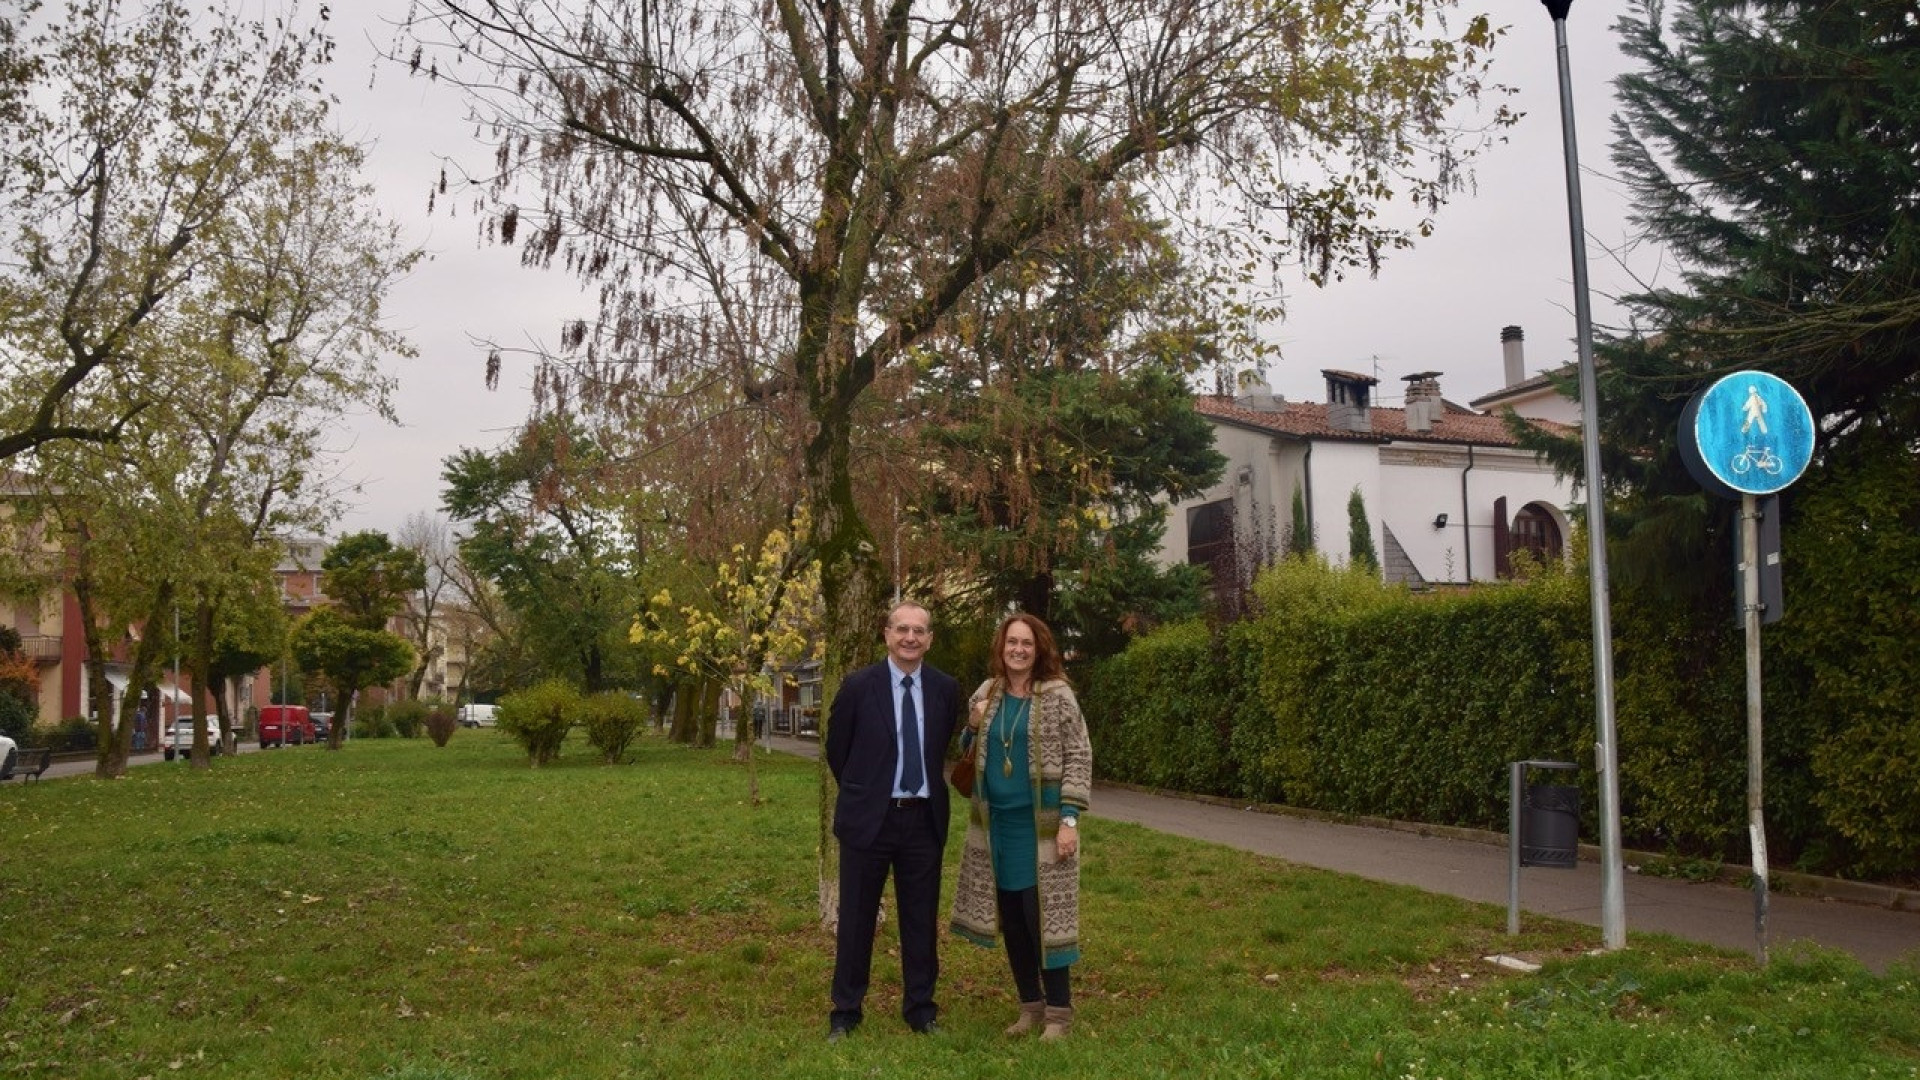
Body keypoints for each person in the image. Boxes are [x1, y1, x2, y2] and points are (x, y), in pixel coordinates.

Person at [949, 612, 1092, 1040]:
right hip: (997, 828)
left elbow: (1079, 756)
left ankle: (1059, 1015)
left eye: (1027, 643)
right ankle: (1030, 1005)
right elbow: (964, 750)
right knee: (1012, 919)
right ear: (1001, 647)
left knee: (1043, 918)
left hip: (1044, 827)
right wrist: (972, 726)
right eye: (1012, 642)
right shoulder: (987, 693)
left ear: (1039, 649)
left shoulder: (1058, 696)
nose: (1018, 649)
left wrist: (1069, 819)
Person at [824, 600, 962, 1040]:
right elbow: (837, 750)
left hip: (923, 822)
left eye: (919, 631)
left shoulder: (945, 688)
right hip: (870, 820)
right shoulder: (858, 685)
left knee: (921, 921)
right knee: (857, 920)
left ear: (930, 639)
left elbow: (939, 747)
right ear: (886, 634)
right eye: (902, 629)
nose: (910, 638)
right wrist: (866, 791)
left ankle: (921, 1010)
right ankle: (846, 1012)